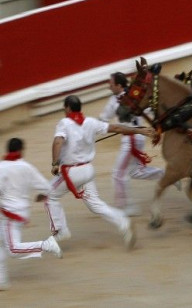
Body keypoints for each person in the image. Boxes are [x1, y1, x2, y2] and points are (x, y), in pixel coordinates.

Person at [46, 95, 157, 251]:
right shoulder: (91, 122)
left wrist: (55, 163)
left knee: (49, 195)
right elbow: (118, 128)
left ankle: (60, 230)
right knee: (95, 204)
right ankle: (123, 222)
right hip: (88, 171)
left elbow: (58, 141)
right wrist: (140, 130)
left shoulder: (64, 123)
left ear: (67, 108)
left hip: (72, 172)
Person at [0, 138, 63, 291]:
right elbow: (46, 187)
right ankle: (1, 281)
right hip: (20, 211)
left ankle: (46, 245)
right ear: (21, 150)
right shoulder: (27, 167)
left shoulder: (2, 167)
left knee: (13, 249)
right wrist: (41, 196)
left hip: (8, 213)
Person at [100, 72, 166, 216]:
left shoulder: (115, 100)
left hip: (130, 139)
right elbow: (150, 110)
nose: (109, 85)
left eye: (111, 83)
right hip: (137, 137)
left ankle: (125, 207)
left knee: (118, 174)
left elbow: (103, 120)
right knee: (135, 171)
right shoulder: (134, 95)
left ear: (119, 85)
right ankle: (165, 175)